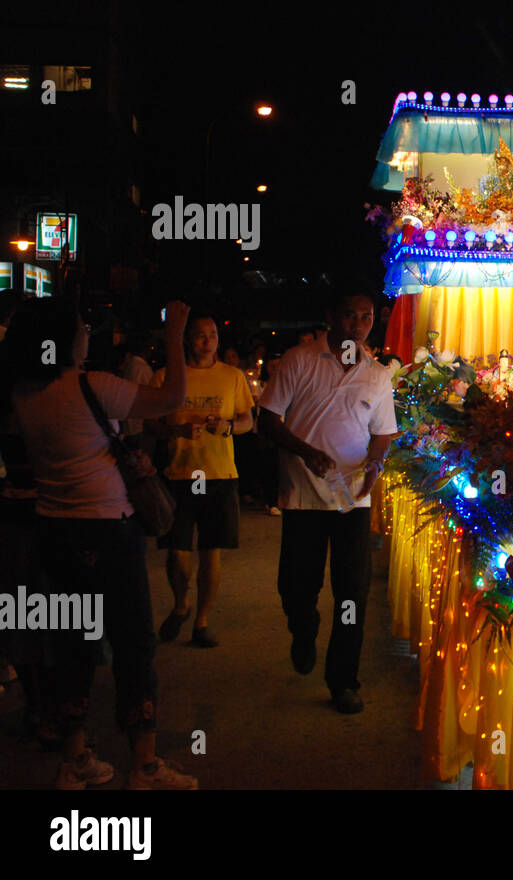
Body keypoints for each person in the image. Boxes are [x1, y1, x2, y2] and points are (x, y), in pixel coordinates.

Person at [2, 297, 198, 788]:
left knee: (74, 644)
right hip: (110, 530)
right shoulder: (95, 387)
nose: (88, 333)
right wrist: (174, 334)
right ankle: (145, 764)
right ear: (64, 339)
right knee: (134, 644)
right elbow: (173, 398)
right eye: (81, 327)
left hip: (55, 530)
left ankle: (75, 758)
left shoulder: (23, 393)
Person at [258, 286, 397, 714]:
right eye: (350, 315)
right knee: (297, 587)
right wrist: (306, 451)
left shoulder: (377, 373)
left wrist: (375, 464)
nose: (358, 324)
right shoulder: (298, 362)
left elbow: (384, 432)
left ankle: (343, 680)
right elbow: (268, 420)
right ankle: (303, 629)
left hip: (351, 501)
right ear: (331, 316)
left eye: (367, 317)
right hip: (302, 496)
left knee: (351, 592)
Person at [148, 313, 254, 648]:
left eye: (211, 335)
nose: (206, 341)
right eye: (198, 335)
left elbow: (247, 420)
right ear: (186, 340)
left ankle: (202, 620)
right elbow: (150, 423)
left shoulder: (232, 376)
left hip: (218, 473)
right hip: (179, 474)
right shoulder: (165, 377)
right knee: (177, 551)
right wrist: (175, 430)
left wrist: (226, 427)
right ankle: (182, 603)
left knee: (212, 551)